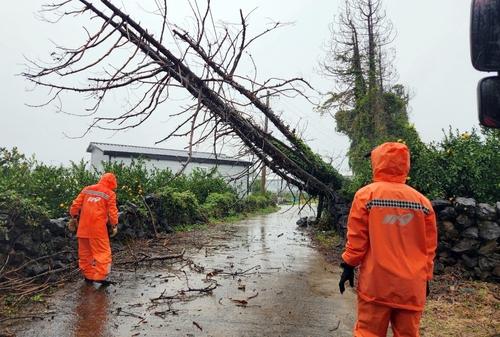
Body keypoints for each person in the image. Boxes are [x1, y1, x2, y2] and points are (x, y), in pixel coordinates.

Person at [339, 142, 437, 337]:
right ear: (405, 165)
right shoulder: (422, 202)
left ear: (377, 163)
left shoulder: (366, 196)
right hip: (411, 287)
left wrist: (348, 265)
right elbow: (429, 248)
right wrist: (425, 277)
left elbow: (357, 239)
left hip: (376, 284)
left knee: (368, 333)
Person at [70, 172, 119, 285]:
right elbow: (112, 212)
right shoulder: (110, 194)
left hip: (83, 229)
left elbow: (75, 205)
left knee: (85, 254)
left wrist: (74, 217)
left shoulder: (87, 189)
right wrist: (114, 225)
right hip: (98, 230)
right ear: (113, 183)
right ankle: (100, 277)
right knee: (103, 253)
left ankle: (88, 276)